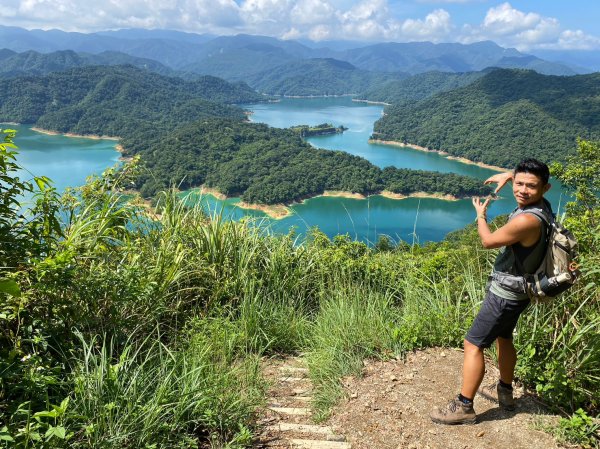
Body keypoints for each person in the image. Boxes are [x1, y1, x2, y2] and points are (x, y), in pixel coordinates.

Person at [430, 158, 552, 425]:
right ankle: (505, 392)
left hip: (504, 294)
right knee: (504, 338)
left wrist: (481, 215)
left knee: (473, 344)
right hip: (520, 291)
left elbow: (487, 241)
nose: (521, 190)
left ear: (545, 188)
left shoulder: (528, 220)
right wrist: (508, 175)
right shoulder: (543, 207)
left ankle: (464, 406)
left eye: (530, 186)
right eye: (518, 183)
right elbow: (526, 180)